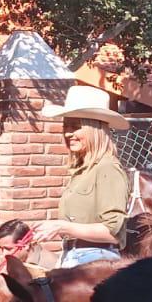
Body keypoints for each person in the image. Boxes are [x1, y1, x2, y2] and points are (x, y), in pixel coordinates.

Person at [32, 85, 130, 267]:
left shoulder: (108, 168)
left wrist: (62, 227)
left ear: (94, 129)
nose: (68, 133)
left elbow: (112, 232)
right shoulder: (83, 170)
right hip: (74, 257)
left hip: (97, 261)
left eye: (75, 127)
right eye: (66, 126)